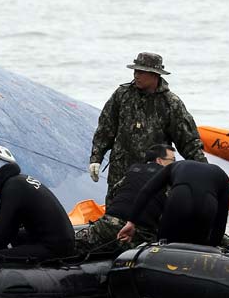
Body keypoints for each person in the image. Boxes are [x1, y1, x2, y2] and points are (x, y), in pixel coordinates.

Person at [88, 52, 207, 207]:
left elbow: (188, 141)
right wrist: (96, 158)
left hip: (155, 176)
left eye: (141, 72)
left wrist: (205, 170)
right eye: (135, 71)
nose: (136, 75)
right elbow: (105, 128)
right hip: (121, 172)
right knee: (114, 215)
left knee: (153, 219)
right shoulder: (122, 95)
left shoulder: (171, 103)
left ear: (154, 75)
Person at [0, 158, 75, 260]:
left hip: (55, 247)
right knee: (11, 239)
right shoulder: (17, 181)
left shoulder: (12, 188)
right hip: (60, 239)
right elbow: (8, 230)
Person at [75, 144, 176, 255]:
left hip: (109, 224)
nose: (175, 164)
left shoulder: (133, 171)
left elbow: (113, 193)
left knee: (73, 245)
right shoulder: (169, 179)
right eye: (173, 160)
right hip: (138, 235)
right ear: (159, 160)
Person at [117, 160, 229, 247]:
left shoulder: (173, 166)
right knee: (198, 247)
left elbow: (146, 192)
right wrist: (213, 246)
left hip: (180, 198)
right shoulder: (223, 176)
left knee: (165, 245)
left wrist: (131, 222)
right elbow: (221, 220)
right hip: (208, 204)